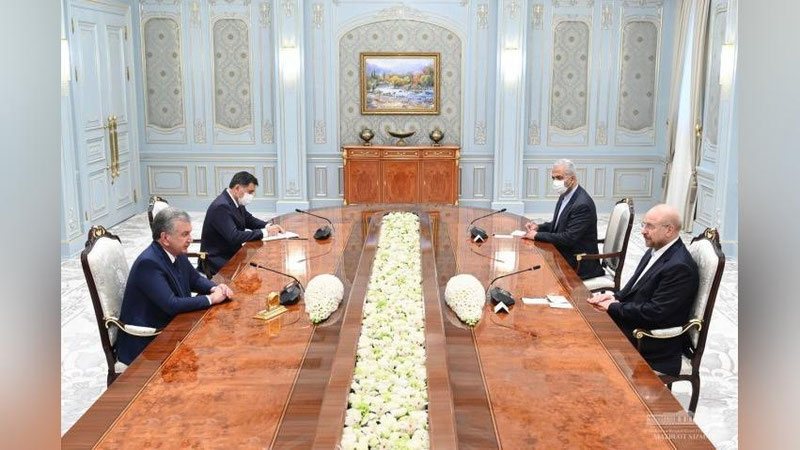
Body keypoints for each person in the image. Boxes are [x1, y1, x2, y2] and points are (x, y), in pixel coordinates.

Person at [587, 204, 699, 376]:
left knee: (587, 338)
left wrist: (613, 307)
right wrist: (614, 297)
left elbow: (655, 313)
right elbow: (634, 287)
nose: (643, 231)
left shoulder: (679, 267)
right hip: (637, 321)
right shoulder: (656, 249)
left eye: (650, 226)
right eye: (643, 224)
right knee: (584, 321)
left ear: (669, 230)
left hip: (651, 340)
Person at [115, 207, 234, 365]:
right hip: (148, 344)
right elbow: (171, 304)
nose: (190, 239)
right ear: (165, 238)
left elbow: (195, 279)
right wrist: (211, 299)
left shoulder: (176, 252)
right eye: (184, 234)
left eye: (189, 233)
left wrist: (215, 287)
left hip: (171, 327)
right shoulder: (148, 263)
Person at [522, 159, 605, 279]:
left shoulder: (582, 204)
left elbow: (568, 238)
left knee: (535, 272)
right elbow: (559, 224)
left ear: (572, 179)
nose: (555, 182)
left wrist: (536, 235)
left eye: (559, 178)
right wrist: (538, 227)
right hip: (565, 254)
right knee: (530, 263)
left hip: (578, 263)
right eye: (553, 178)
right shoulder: (565, 195)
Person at [199, 171, 284, 276]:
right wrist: (264, 232)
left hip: (232, 253)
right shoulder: (221, 206)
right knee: (258, 272)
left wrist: (268, 226)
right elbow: (234, 236)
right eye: (250, 192)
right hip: (218, 259)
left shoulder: (235, 201)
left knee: (264, 264)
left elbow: (249, 220)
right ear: (237, 188)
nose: (251, 196)